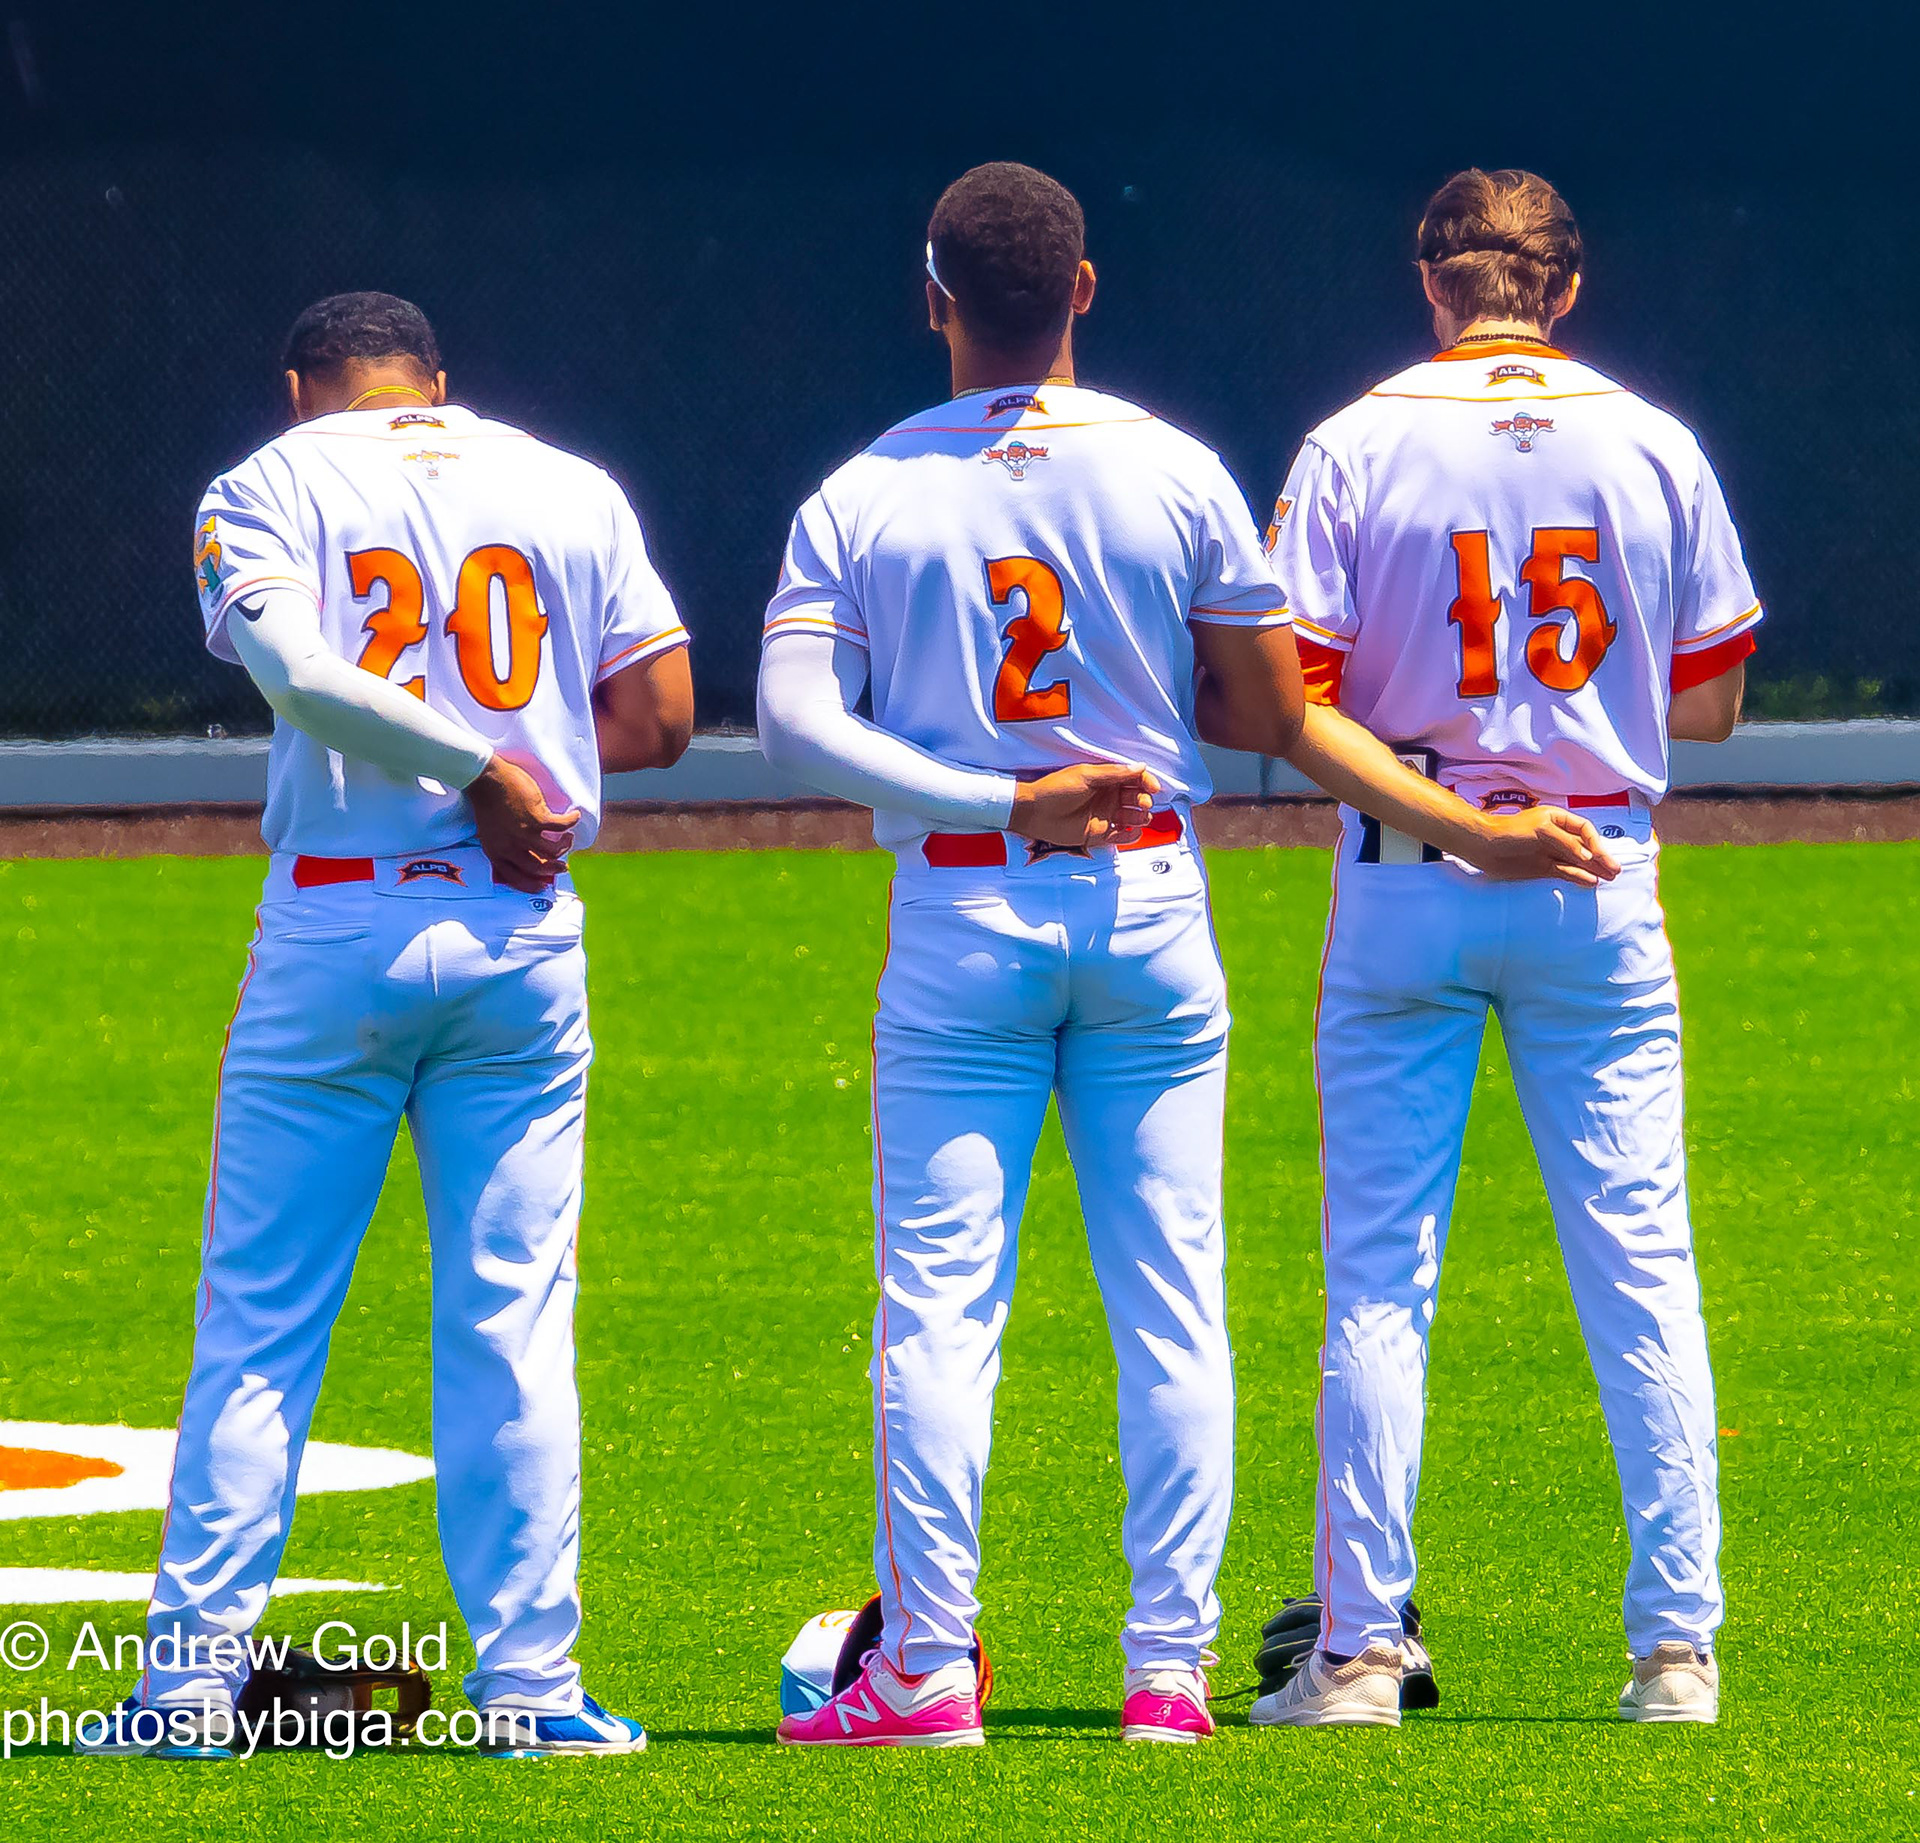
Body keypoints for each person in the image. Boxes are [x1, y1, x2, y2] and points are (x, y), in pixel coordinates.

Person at [757, 162, 1609, 1749]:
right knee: (1173, 1301)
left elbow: (798, 718)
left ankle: (931, 1666)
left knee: (938, 1308)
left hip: (965, 906)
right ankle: (1169, 1673)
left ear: (933, 297)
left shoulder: (861, 487)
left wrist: (1000, 790)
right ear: (1084, 287)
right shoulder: (1178, 471)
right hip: (1152, 900)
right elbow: (1268, 710)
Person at [79, 292, 692, 1761]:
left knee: (261, 1324)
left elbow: (293, 675)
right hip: (519, 929)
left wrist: (481, 765)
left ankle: (184, 1692)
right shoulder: (563, 480)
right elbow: (663, 714)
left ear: (302, 387)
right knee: (513, 1319)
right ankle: (533, 1691)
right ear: (437, 379)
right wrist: (522, 762)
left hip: (337, 929)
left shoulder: (266, 481)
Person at [1250, 168, 1760, 1730]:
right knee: (1640, 1272)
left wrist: (1467, 808)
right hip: (1598, 876)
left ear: (1430, 281)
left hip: (1409, 878)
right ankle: (1675, 1653)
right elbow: (1715, 702)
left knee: (1379, 1282)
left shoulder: (1355, 439)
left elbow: (1295, 707)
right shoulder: (1655, 440)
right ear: (1567, 286)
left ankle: (1353, 1657)